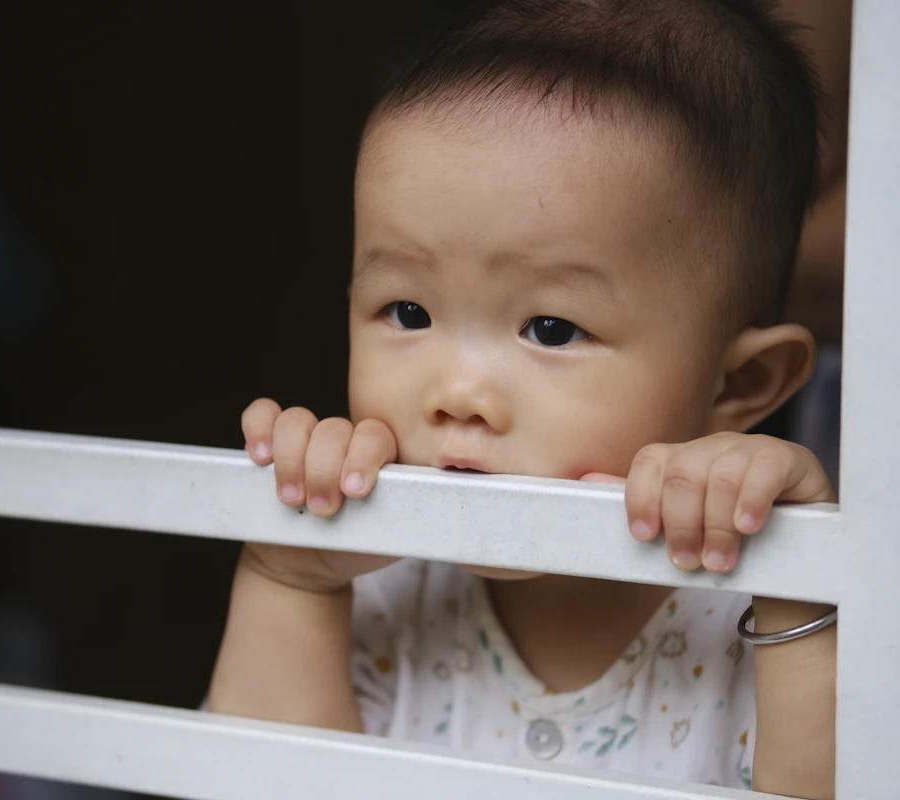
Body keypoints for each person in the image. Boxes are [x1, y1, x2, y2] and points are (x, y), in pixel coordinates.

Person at [208, 1, 836, 796]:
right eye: (408, 312)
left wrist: (804, 580)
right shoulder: (376, 576)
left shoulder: (756, 608)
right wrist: (288, 576)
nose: (456, 394)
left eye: (550, 327)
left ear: (739, 384)